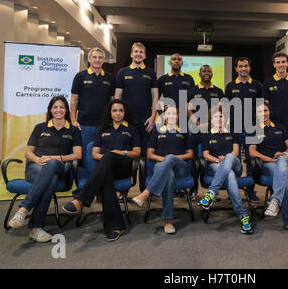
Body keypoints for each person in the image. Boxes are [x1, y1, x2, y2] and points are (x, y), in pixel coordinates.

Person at [62, 99, 141, 241]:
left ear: (125, 113)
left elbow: (137, 152)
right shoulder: (103, 128)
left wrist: (120, 153)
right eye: (114, 110)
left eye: (120, 110)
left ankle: (80, 200)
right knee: (106, 178)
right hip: (107, 167)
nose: (117, 113)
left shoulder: (132, 129)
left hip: (124, 166)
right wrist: (107, 157)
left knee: (110, 155)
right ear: (110, 113)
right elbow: (94, 154)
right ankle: (115, 227)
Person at [8, 96, 82, 242]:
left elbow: (77, 154)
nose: (58, 110)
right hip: (35, 168)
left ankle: (24, 209)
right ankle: (35, 228)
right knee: (51, 179)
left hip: (60, 167)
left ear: (66, 110)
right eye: (55, 107)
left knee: (52, 165)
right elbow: (28, 152)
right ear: (50, 109)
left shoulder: (73, 130)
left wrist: (57, 158)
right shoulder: (40, 127)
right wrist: (37, 159)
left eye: (61, 107)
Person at [248, 102, 288, 234]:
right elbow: (252, 152)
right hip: (268, 164)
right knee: (285, 175)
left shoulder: (280, 127)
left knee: (283, 162)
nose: (263, 114)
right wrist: (270, 159)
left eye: (265, 111)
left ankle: (275, 200)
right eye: (259, 112)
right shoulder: (253, 130)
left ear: (269, 112)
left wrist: (283, 155)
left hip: (286, 161)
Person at [132, 106, 193, 234]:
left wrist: (171, 158)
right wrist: (164, 161)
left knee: (170, 159)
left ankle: (146, 193)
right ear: (164, 116)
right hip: (161, 166)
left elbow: (190, 154)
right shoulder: (156, 131)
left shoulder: (183, 131)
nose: (171, 116)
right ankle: (168, 221)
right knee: (168, 174)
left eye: (174, 114)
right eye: (168, 113)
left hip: (180, 168)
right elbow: (149, 154)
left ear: (178, 117)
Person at [198, 105, 254, 234]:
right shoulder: (206, 135)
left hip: (235, 164)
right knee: (229, 175)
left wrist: (226, 159)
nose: (219, 119)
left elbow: (235, 152)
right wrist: (218, 160)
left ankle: (212, 192)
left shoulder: (232, 132)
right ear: (211, 120)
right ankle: (243, 216)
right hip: (215, 165)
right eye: (216, 117)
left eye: (221, 117)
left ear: (225, 119)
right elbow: (206, 155)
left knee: (229, 157)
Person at [225, 57, 263, 203]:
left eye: (246, 66)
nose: (243, 69)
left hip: (251, 130)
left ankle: (250, 190)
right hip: (234, 129)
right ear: (236, 69)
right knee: (236, 162)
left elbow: (261, 107)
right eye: (240, 66)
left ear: (250, 67)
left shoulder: (257, 85)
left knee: (251, 161)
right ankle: (233, 190)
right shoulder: (230, 86)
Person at [115, 42, 158, 158]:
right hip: (126, 120)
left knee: (144, 154)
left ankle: (143, 176)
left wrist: (153, 116)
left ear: (145, 56)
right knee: (127, 152)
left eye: (141, 52)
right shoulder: (122, 72)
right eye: (136, 51)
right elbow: (117, 97)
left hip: (146, 120)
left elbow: (155, 96)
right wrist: (118, 116)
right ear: (131, 54)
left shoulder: (151, 73)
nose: (138, 54)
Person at [187, 65, 224, 199]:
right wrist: (198, 123)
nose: (207, 73)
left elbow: (222, 110)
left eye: (209, 71)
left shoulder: (219, 91)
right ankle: (193, 189)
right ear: (199, 73)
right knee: (195, 161)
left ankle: (212, 190)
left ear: (212, 74)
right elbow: (188, 109)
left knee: (212, 158)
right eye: (204, 71)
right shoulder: (192, 90)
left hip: (213, 131)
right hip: (196, 130)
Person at [70, 47, 114, 161]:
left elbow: (113, 102)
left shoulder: (110, 78)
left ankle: (99, 178)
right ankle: (85, 179)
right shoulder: (80, 76)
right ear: (89, 59)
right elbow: (74, 100)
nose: (97, 60)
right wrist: (73, 120)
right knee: (85, 156)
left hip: (104, 125)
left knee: (102, 155)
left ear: (104, 60)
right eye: (94, 57)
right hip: (84, 125)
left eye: (100, 57)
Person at [263, 52, 288, 143]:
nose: (281, 65)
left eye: (283, 62)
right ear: (274, 64)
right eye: (278, 62)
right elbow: (266, 107)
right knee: (275, 155)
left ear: (287, 63)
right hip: (273, 126)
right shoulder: (268, 82)